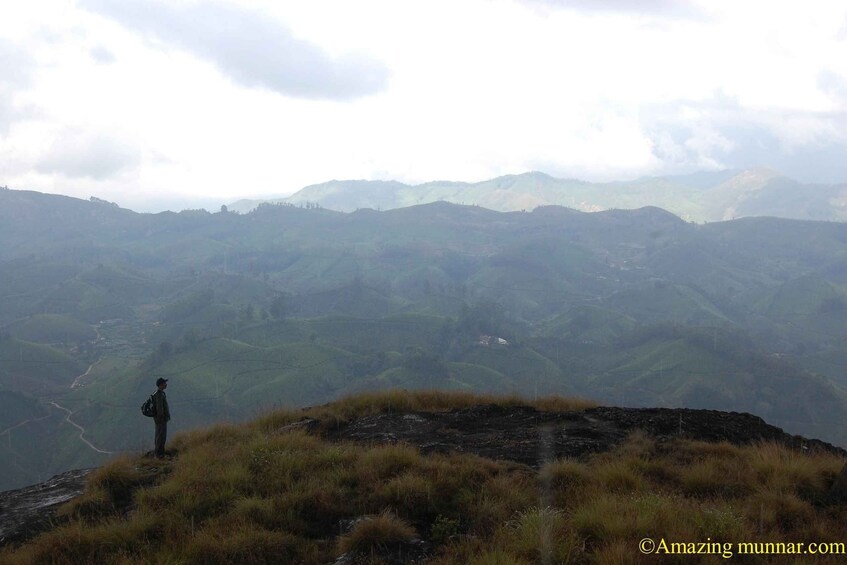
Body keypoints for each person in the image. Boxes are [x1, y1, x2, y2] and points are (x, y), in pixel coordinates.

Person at [153, 377, 171, 458]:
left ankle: (160, 453)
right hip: (161, 420)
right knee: (161, 436)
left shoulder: (160, 393)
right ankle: (159, 454)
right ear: (161, 385)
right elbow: (159, 408)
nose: (166, 384)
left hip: (160, 419)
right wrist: (162, 418)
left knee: (160, 436)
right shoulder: (159, 394)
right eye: (164, 383)